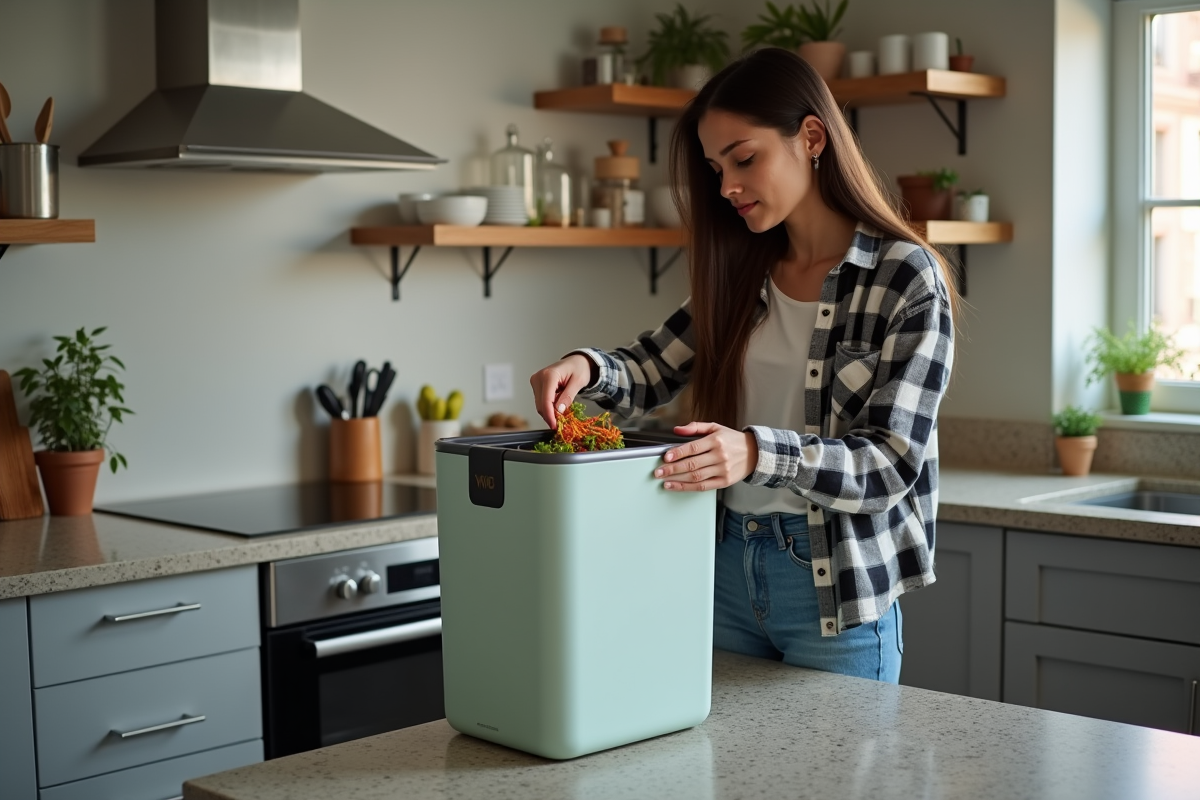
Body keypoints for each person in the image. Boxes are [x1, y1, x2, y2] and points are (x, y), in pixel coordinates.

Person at [529, 48, 957, 683]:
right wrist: (586, 369)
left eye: (744, 158)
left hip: (836, 594)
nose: (726, 186)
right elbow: (651, 366)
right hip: (725, 573)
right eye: (714, 168)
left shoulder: (905, 278)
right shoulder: (741, 270)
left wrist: (757, 453)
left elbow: (889, 464)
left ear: (811, 137)